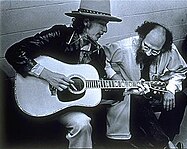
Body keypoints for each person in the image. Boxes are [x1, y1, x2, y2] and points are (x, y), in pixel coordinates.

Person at [5, 0, 133, 148]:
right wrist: (47, 74)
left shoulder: (98, 52)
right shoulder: (59, 35)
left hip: (75, 103)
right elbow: (14, 52)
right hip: (44, 101)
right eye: (102, 24)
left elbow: (100, 81)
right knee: (82, 122)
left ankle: (117, 143)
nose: (105, 30)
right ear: (86, 21)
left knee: (114, 102)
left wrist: (124, 87)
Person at [104, 21, 187, 149]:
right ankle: (166, 145)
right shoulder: (123, 46)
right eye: (146, 47)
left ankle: (163, 140)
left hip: (155, 89)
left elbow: (180, 70)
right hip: (134, 95)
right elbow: (101, 58)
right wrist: (115, 77)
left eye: (155, 51)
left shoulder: (169, 50)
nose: (149, 53)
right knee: (138, 99)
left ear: (163, 48)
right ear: (141, 38)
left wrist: (170, 90)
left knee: (181, 98)